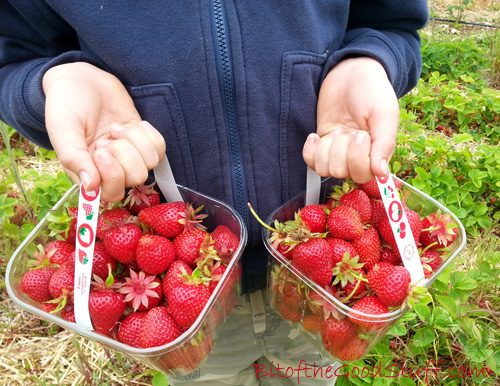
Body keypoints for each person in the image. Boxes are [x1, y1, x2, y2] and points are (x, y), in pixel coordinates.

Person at [0, 1, 429, 385]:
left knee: (312, 370)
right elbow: (16, 55)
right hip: (179, 296)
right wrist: (57, 81)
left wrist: (367, 62)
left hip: (324, 285)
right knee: (204, 374)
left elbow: (389, 23)